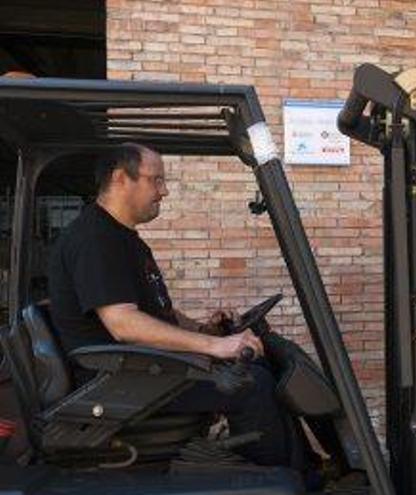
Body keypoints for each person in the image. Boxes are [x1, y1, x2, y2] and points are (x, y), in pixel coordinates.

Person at [48, 143, 300, 468]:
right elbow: (123, 324)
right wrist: (216, 345)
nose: (164, 191)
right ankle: (276, 479)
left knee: (264, 368)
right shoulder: (96, 239)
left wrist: (203, 328)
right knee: (253, 384)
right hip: (119, 382)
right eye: (156, 180)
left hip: (143, 369)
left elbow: (155, 312)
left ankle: (300, 473)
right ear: (121, 178)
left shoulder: (124, 239)